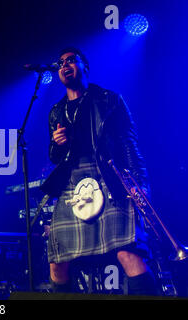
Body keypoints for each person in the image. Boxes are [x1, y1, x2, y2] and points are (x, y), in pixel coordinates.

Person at [40, 47, 159, 295]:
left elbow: (129, 143)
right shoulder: (55, 111)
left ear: (85, 66)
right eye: (60, 62)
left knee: (127, 252)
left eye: (71, 60)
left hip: (109, 177)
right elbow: (54, 157)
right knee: (57, 261)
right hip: (72, 184)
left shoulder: (109, 99)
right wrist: (57, 144)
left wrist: (140, 185)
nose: (64, 65)